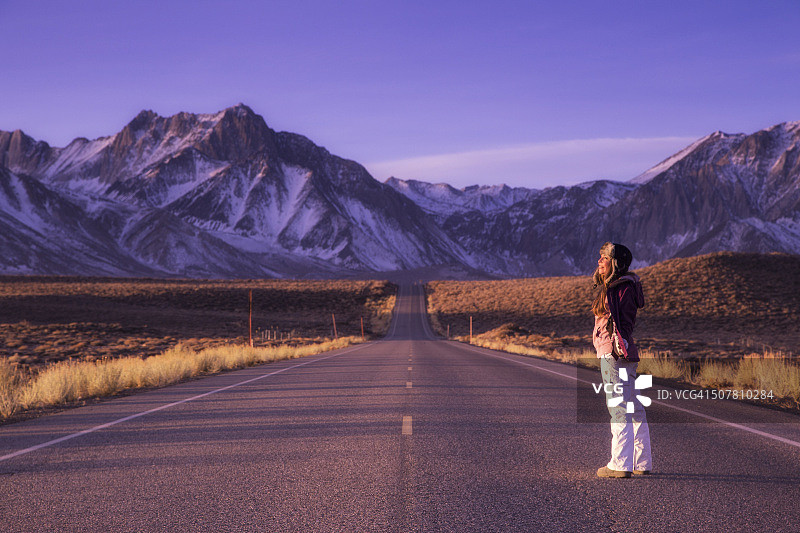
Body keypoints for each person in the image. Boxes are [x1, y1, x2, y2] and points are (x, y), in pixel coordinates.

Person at [592, 242, 652, 478]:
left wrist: (615, 342)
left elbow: (618, 322)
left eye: (604, 257)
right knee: (634, 407)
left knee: (618, 408)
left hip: (613, 353)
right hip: (627, 353)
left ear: (615, 263)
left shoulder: (616, 289)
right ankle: (641, 461)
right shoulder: (627, 286)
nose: (599, 261)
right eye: (600, 257)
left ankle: (620, 464)